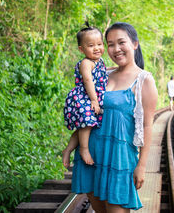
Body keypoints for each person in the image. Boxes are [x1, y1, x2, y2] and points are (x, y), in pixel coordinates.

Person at [63, 22, 158, 212]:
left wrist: (142, 166)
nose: (116, 49)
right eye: (110, 44)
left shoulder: (144, 80)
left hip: (119, 160)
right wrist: (70, 148)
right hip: (92, 157)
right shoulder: (101, 73)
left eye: (121, 42)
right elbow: (85, 115)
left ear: (135, 44)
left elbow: (147, 126)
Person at [63, 23, 107, 166]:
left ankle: (68, 150)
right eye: (91, 45)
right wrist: (94, 100)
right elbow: (88, 80)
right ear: (81, 49)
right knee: (86, 124)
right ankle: (84, 149)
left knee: (84, 126)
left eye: (99, 44)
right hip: (84, 97)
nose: (96, 48)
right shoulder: (86, 63)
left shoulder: (99, 62)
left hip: (91, 97)